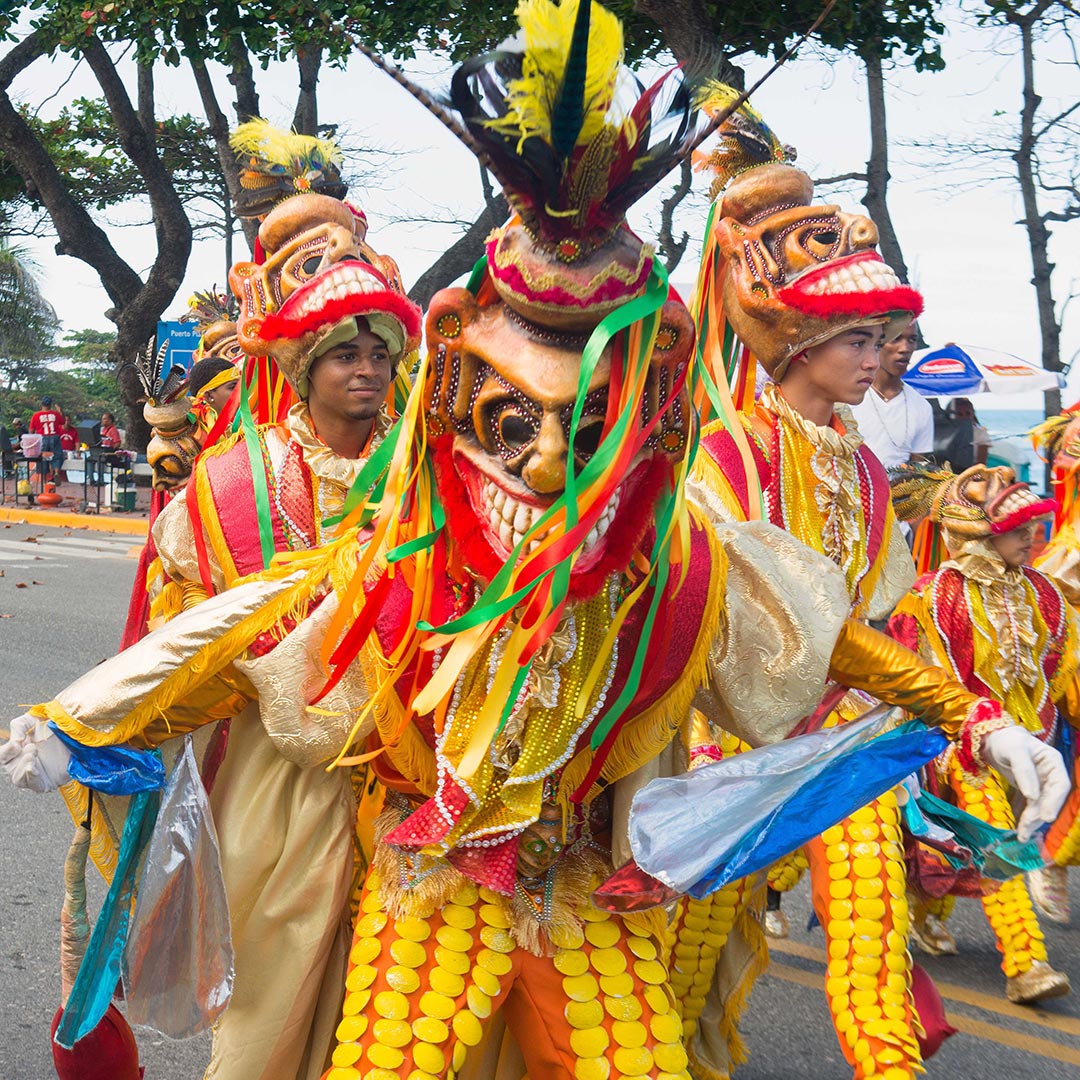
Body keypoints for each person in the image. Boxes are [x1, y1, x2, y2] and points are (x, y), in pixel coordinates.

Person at [0, 12, 1069, 1080]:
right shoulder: (409, 552)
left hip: (586, 897)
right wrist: (88, 724)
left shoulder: (678, 553)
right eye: (517, 421)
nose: (551, 468)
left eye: (590, 422)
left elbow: (823, 635)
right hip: (429, 900)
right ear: (462, 395)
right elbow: (239, 634)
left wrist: (973, 721)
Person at [678, 99, 1019, 1079]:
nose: (877, 355)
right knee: (693, 954)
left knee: (872, 935)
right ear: (793, 335)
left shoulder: (866, 471)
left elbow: (884, 606)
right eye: (856, 335)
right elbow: (790, 620)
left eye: (879, 336)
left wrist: (939, 719)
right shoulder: (730, 453)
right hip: (732, 743)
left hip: (851, 737)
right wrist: (958, 710)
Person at [887, 463, 1077, 1002]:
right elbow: (913, 681)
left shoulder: (1045, 594)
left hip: (1025, 741)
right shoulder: (933, 596)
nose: (1031, 536)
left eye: (1031, 525)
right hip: (955, 745)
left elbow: (1058, 664)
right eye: (1015, 528)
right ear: (976, 533)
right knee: (995, 837)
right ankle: (1027, 964)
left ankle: (926, 911)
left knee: (959, 847)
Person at [850, 321, 935, 469]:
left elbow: (919, 470)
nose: (905, 348)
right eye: (896, 338)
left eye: (912, 340)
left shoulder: (922, 407)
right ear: (877, 342)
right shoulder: (848, 397)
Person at [29, 395, 65, 482]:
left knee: (42, 458)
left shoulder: (36, 415)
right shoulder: (55, 414)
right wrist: (60, 412)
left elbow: (31, 430)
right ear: (50, 405)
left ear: (41, 404)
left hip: (42, 438)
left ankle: (45, 480)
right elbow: (63, 422)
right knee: (57, 456)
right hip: (55, 436)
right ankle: (56, 472)